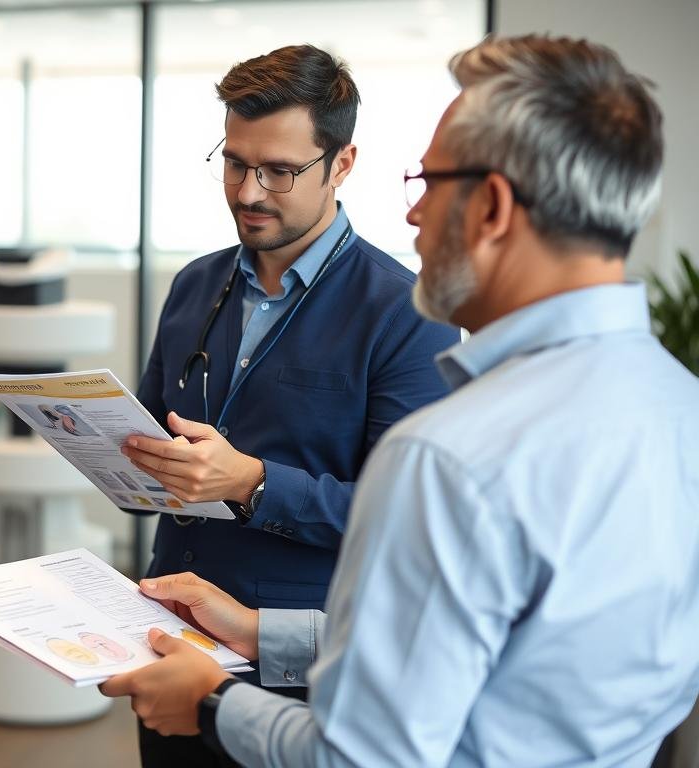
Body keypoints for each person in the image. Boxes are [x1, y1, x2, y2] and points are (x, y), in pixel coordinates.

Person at [102, 35, 699, 767]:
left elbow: (366, 755)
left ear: (491, 207)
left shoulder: (452, 452)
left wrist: (214, 703)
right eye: (235, 162)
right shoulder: (681, 406)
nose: (414, 217)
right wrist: (260, 631)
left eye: (428, 183)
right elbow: (493, 646)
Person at [122, 44, 458, 766]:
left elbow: (402, 518)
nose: (248, 191)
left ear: (342, 163)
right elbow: (147, 439)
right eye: (236, 162)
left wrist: (251, 482)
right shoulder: (194, 286)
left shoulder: (404, 312)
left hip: (296, 663)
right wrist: (110, 450)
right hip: (167, 631)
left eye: (279, 170)